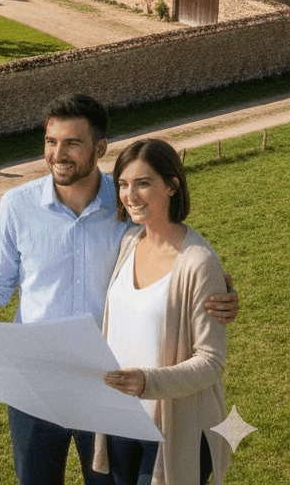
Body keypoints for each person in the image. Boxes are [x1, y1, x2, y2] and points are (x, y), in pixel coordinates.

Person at [0, 94, 237, 485]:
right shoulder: (16, 206)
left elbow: (171, 258)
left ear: (100, 148)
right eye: (51, 141)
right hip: (33, 383)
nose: (58, 154)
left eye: (72, 143)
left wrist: (216, 294)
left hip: (106, 386)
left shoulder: (128, 209)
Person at [97, 138, 229, 485]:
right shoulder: (128, 243)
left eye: (143, 183)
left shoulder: (198, 262)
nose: (130, 195)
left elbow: (212, 361)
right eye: (123, 184)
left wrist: (147, 382)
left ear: (172, 186)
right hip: (120, 422)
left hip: (172, 429)